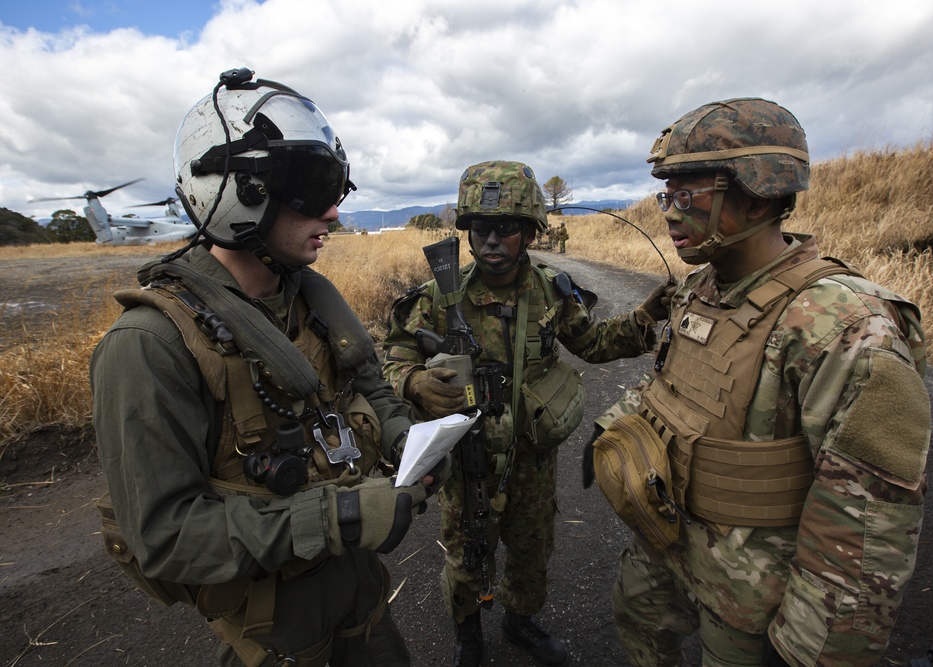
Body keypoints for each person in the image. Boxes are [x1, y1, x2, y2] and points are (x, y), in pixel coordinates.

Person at [91, 68, 445, 667]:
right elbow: (166, 535)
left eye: (338, 187)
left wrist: (409, 440)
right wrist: (342, 516)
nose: (333, 214)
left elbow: (370, 393)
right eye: (311, 189)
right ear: (237, 191)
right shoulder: (149, 345)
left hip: (365, 608)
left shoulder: (312, 303)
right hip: (277, 642)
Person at [584, 97, 931, 666]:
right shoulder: (700, 290)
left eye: (687, 195)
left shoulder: (844, 326)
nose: (669, 212)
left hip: (754, 594)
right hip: (669, 543)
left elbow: (866, 525)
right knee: (639, 628)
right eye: (665, 195)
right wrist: (616, 429)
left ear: (756, 196)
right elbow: (671, 391)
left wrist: (808, 649)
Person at [382, 160, 674, 667]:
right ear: (468, 234)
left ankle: (520, 621)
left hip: (531, 457)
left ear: (530, 232)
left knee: (531, 547)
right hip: (465, 453)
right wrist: (413, 381)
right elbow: (392, 355)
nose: (493, 241)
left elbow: (595, 343)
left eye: (508, 229)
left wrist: (646, 318)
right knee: (466, 547)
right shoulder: (438, 294)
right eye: (482, 229)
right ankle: (467, 632)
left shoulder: (550, 290)